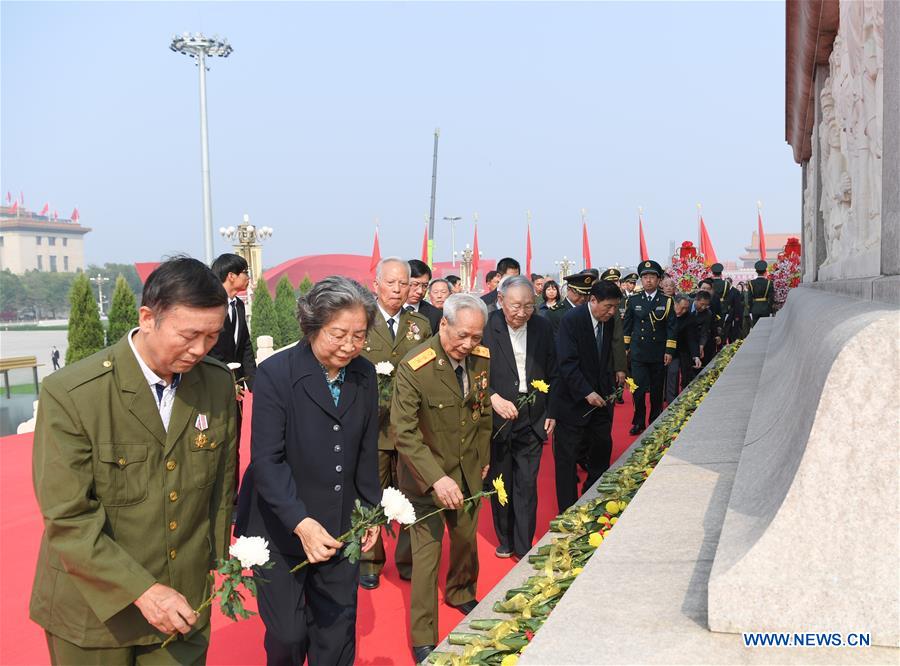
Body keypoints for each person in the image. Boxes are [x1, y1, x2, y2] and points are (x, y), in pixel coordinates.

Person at [30, 257, 237, 664]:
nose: (199, 349)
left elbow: (221, 489)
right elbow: (68, 518)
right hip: (93, 615)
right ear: (147, 317)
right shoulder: (74, 394)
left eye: (212, 337)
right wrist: (142, 591)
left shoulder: (216, 384)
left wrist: (217, 567)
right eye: (189, 335)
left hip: (182, 607)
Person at [235, 276, 381, 666]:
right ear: (313, 325)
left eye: (359, 335)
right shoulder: (277, 373)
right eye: (338, 335)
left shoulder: (365, 375)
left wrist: (370, 510)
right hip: (282, 524)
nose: (350, 346)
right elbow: (266, 459)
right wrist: (300, 522)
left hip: (339, 520)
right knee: (288, 634)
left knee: (336, 631)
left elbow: (367, 448)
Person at [391, 293, 492, 664]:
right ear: (443, 324)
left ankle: (462, 591)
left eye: (476, 337)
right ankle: (423, 634)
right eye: (462, 335)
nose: (468, 345)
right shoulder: (414, 367)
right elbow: (404, 432)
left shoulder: (480, 360)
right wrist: (436, 479)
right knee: (426, 558)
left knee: (466, 540)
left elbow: (481, 415)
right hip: (424, 479)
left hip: (466, 471)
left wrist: (483, 459)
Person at [358, 258, 432, 589]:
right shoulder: (362, 321)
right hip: (371, 425)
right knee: (371, 492)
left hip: (408, 426)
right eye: (391, 283)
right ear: (375, 285)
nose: (398, 290)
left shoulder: (421, 325)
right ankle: (369, 559)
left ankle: (408, 558)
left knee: (409, 494)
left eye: (404, 284)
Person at [482, 276, 557, 559]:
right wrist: (491, 397)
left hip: (533, 414)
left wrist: (552, 411)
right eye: (516, 306)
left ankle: (524, 545)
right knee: (501, 480)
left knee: (526, 482)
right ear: (500, 301)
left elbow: (554, 369)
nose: (522, 312)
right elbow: (472, 372)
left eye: (528, 306)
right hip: (498, 416)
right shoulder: (487, 327)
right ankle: (506, 537)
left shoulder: (542, 326)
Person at [554, 279, 626, 511]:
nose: (613, 312)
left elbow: (604, 358)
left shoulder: (609, 320)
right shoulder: (571, 321)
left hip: (600, 399)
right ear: (593, 300)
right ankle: (567, 509)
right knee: (567, 460)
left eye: (616, 307)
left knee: (602, 448)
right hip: (573, 400)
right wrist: (587, 392)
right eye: (608, 306)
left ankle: (592, 498)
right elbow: (567, 364)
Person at [209, 253, 258, 500]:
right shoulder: (209, 304)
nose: (248, 278)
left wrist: (254, 384)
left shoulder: (238, 305)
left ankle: (236, 493)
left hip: (237, 385)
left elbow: (245, 347)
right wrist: (227, 383)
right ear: (231, 276)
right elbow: (209, 349)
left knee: (237, 438)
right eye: (245, 273)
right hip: (214, 384)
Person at [623, 260, 676, 435]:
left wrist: (669, 351)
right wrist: (625, 348)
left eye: (652, 277)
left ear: (659, 280)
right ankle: (638, 421)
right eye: (645, 277)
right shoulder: (633, 300)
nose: (648, 280)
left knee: (656, 390)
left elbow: (671, 328)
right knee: (637, 390)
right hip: (638, 352)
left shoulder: (666, 301)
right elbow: (627, 326)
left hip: (658, 352)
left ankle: (655, 420)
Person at [666, 294, 701, 401]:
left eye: (686, 308)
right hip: (662, 348)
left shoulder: (690, 318)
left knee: (674, 372)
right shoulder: (666, 313)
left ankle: (672, 400)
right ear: (675, 304)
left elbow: (692, 339)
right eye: (681, 307)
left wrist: (696, 356)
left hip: (679, 350)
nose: (683, 310)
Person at [545, 271, 592, 337]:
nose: (583, 298)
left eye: (586, 295)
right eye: (579, 294)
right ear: (568, 289)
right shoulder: (554, 314)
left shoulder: (590, 311)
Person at [406, 260, 443, 334]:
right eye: (415, 284)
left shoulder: (435, 315)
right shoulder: (390, 309)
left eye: (425, 286)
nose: (420, 291)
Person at [710, 263, 743, 344]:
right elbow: (728, 297)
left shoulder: (709, 282)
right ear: (721, 273)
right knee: (723, 330)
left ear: (712, 273)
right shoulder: (726, 284)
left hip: (710, 309)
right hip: (723, 310)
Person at [692, 291, 717, 368]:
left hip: (695, 338)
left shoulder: (707, 313)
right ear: (696, 300)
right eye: (702, 304)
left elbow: (704, 332)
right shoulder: (686, 305)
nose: (703, 307)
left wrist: (701, 346)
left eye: (706, 305)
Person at [748, 260, 775, 327]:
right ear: (765, 271)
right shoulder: (769, 283)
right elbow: (771, 298)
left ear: (756, 271)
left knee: (755, 328)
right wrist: (770, 309)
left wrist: (751, 309)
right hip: (765, 308)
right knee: (764, 328)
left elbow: (749, 299)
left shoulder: (751, 283)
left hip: (755, 308)